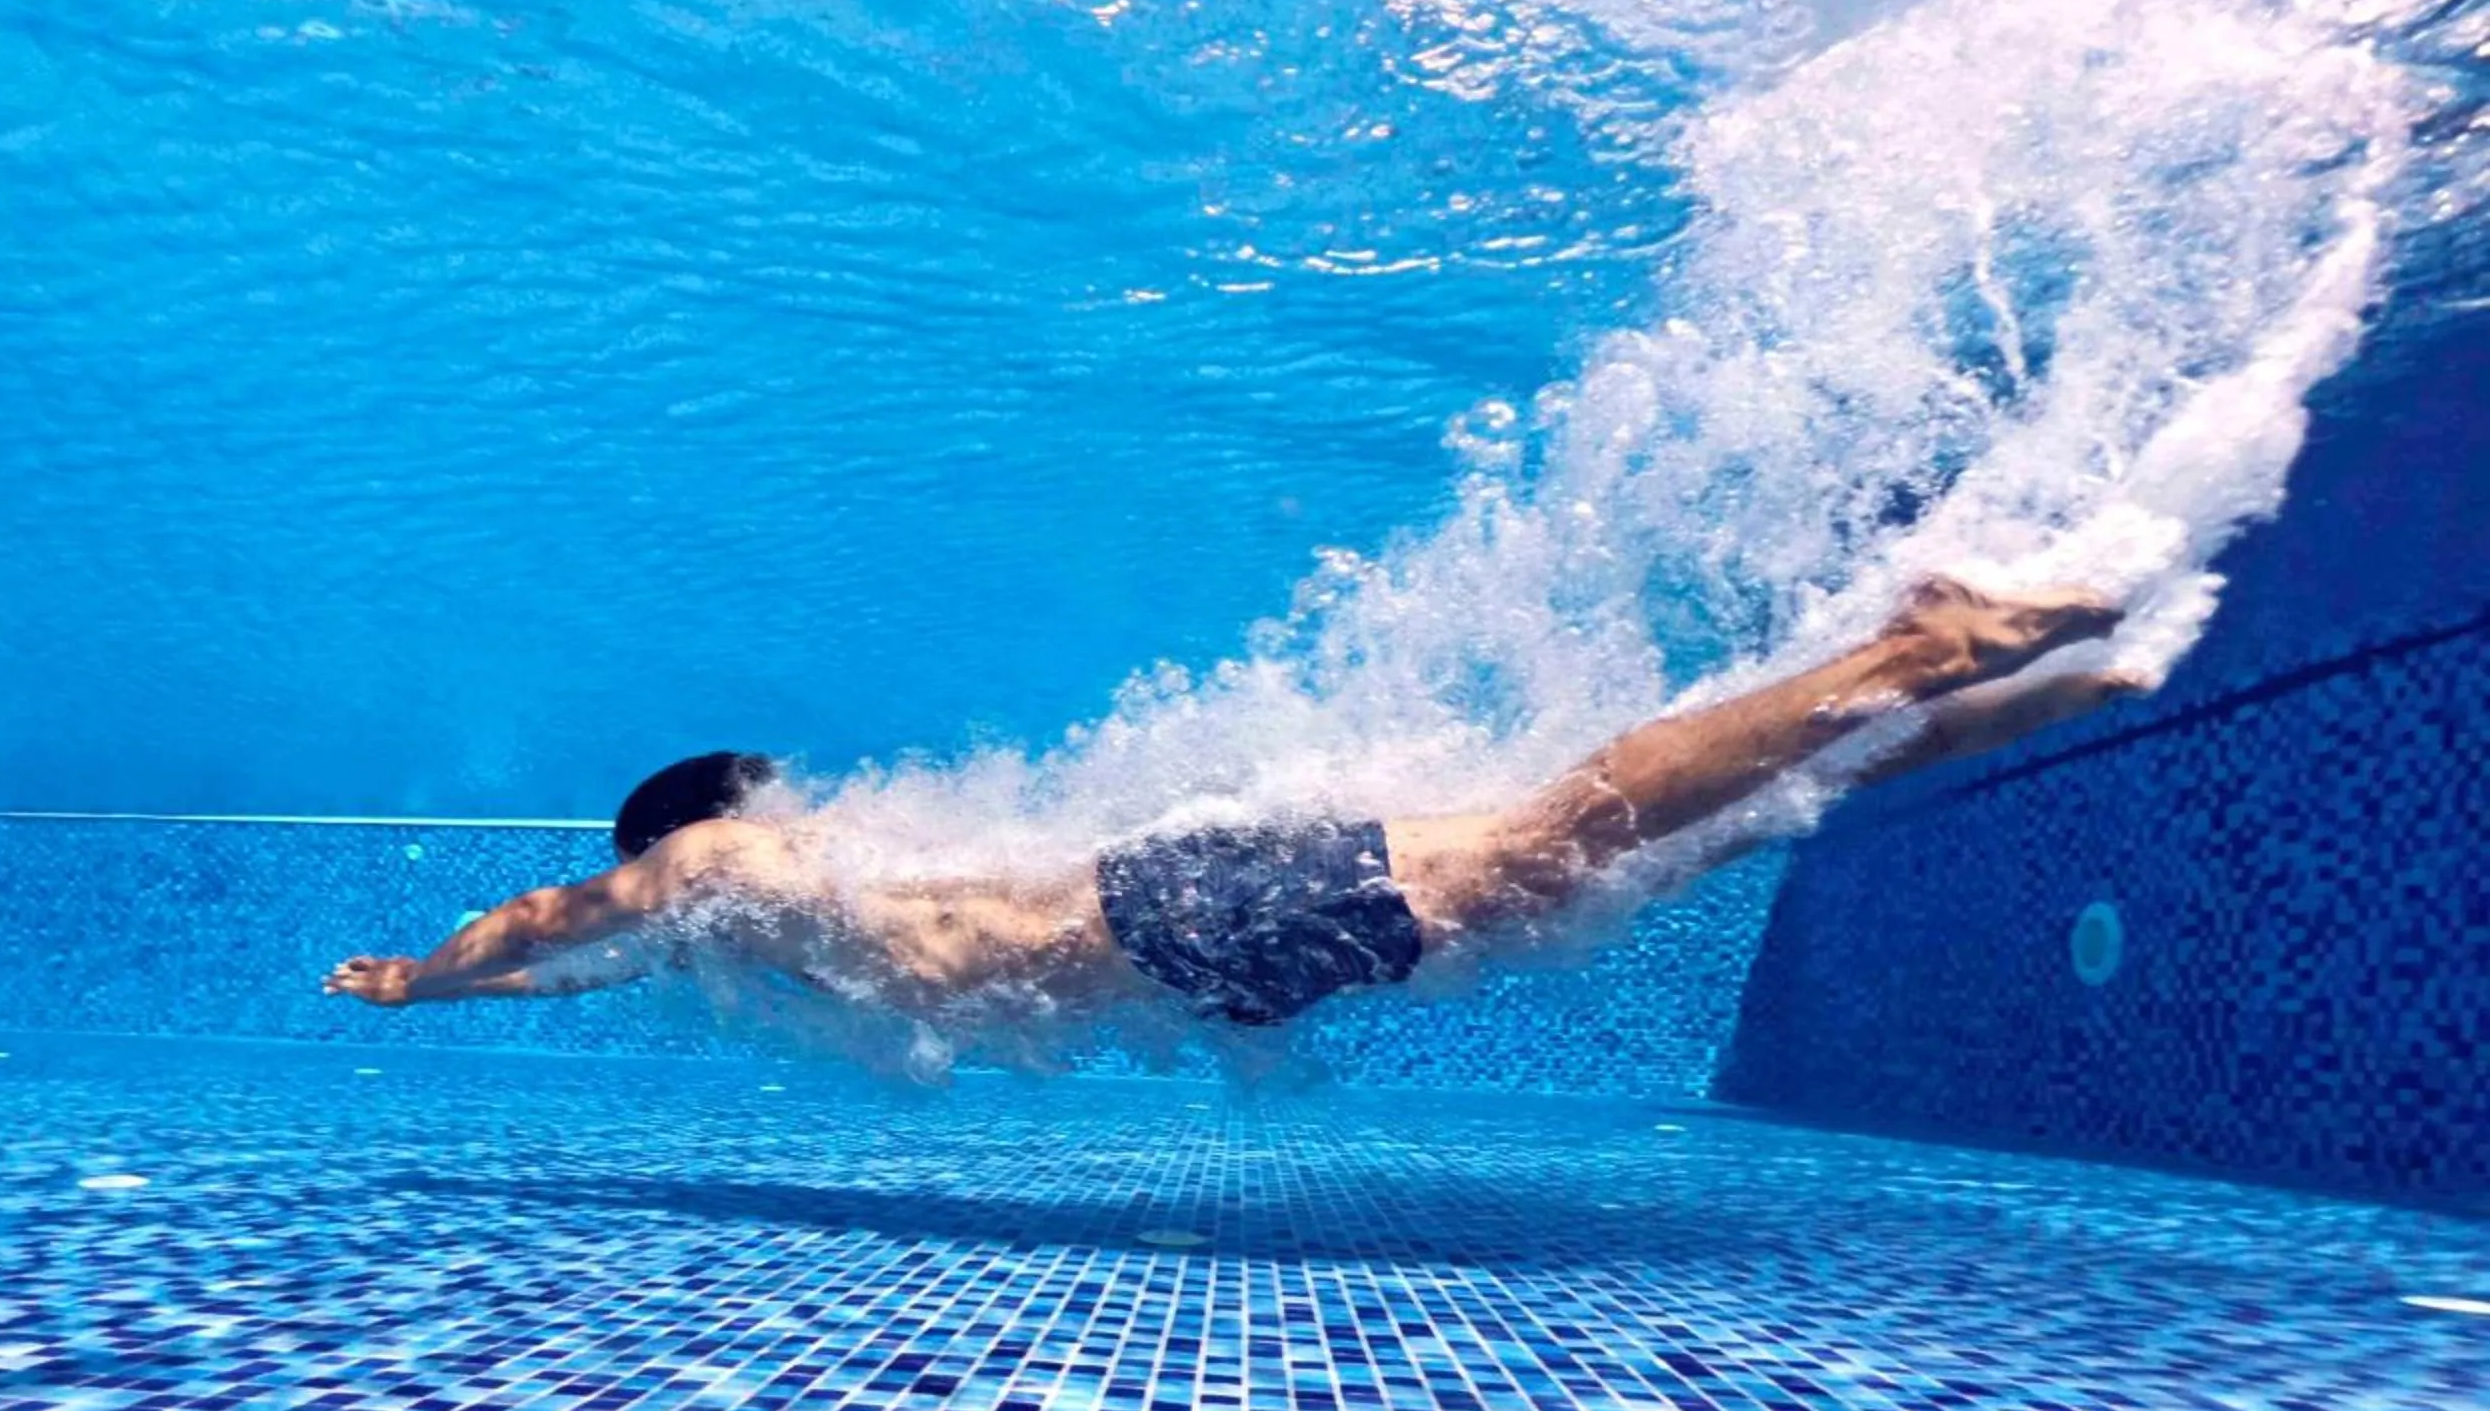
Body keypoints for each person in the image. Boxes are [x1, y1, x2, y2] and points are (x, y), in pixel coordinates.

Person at [323, 579, 2138, 1033]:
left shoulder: (726, 859)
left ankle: (1908, 652)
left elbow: (561, 927)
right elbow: (608, 965)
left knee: (1541, 845)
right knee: (1628, 871)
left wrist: (421, 975)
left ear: (677, 835)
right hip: (1194, 940)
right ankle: (1957, 720)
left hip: (1164, 915)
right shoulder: (796, 894)